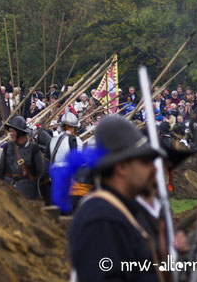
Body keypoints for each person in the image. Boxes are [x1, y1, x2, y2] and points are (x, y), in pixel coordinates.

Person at [69, 116, 165, 282]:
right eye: (145, 162)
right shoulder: (101, 218)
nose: (154, 169)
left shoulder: (126, 210)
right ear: (121, 168)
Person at [0, 116, 45, 199]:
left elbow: (41, 173)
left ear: (20, 133)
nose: (10, 134)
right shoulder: (7, 147)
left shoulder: (34, 149)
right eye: (10, 131)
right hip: (7, 190)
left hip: (27, 193)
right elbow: (0, 170)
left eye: (12, 131)